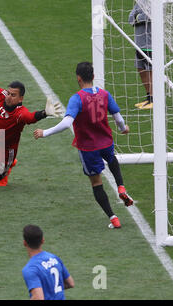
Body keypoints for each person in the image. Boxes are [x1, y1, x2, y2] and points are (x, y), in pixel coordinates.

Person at [33, 62, 133, 229]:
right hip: (106, 141)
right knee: (112, 158)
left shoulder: (77, 98)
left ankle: (114, 218)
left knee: (96, 183)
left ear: (78, 78)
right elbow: (118, 118)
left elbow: (66, 124)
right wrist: (124, 129)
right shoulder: (105, 94)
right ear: (93, 77)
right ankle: (121, 187)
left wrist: (45, 132)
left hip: (88, 147)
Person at [0, 60, 63, 186]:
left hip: (8, 146)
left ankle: (8, 167)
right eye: (8, 93)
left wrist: (45, 113)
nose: (8, 97)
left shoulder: (20, 113)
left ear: (21, 98)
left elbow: (31, 117)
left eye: (13, 95)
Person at [22, 224, 74, 300]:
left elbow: (39, 298)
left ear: (24, 243)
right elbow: (71, 283)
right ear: (43, 240)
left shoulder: (30, 269)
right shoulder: (54, 258)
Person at [129, 1, 152, 109]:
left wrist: (137, 17)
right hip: (139, 44)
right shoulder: (139, 2)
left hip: (150, 44)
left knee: (151, 71)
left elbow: (150, 15)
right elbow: (130, 18)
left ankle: (154, 98)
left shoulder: (153, 2)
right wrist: (137, 17)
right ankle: (148, 97)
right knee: (140, 69)